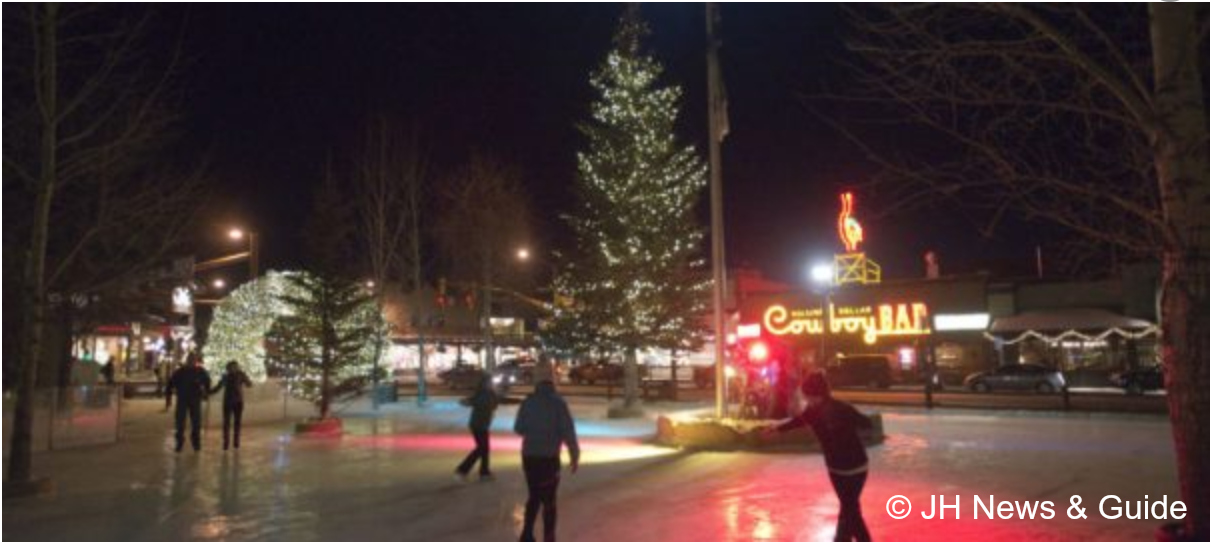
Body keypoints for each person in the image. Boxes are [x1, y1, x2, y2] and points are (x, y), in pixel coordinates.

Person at [762, 371, 873, 542]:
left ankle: (842, 539)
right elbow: (798, 421)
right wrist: (777, 429)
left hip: (855, 468)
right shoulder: (813, 411)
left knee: (849, 509)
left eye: (809, 396)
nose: (807, 400)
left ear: (819, 394)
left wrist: (849, 425)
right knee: (850, 509)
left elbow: (867, 423)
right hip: (836, 469)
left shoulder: (841, 408)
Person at [514, 378, 579, 542]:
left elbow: (518, 428)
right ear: (553, 388)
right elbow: (567, 431)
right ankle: (549, 537)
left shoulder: (528, 402)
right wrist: (574, 454)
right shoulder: (558, 403)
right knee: (549, 500)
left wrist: (533, 431)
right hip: (549, 458)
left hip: (529, 456)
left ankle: (527, 534)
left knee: (534, 495)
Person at [454, 374, 499, 481]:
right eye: (490, 382)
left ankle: (484, 472)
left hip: (482, 424)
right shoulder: (485, 394)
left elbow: (493, 404)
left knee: (484, 449)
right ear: (485, 383)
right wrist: (467, 401)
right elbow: (485, 403)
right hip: (479, 425)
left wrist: (468, 401)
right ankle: (462, 470)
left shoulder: (488, 393)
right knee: (481, 449)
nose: (492, 384)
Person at [165, 354, 212, 452]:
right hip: (182, 398)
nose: (191, 361)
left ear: (195, 361)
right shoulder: (180, 372)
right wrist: (168, 398)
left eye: (193, 360)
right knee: (180, 422)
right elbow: (170, 384)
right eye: (190, 360)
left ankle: (196, 442)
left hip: (195, 399)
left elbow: (207, 382)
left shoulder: (200, 371)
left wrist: (206, 392)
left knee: (196, 422)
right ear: (187, 360)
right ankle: (180, 442)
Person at [210, 361, 253, 451]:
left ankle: (236, 442)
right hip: (228, 402)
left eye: (235, 367)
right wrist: (208, 392)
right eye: (232, 367)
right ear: (228, 368)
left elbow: (249, 384)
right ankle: (226, 442)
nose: (234, 369)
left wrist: (246, 378)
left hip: (238, 402)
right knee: (226, 423)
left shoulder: (240, 375)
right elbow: (218, 387)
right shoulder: (226, 376)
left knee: (237, 423)